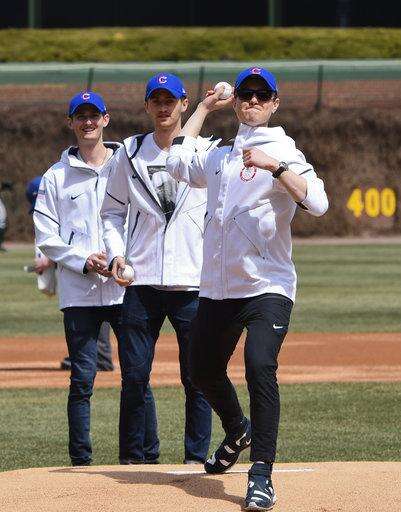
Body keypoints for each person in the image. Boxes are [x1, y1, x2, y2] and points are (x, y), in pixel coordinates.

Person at [167, 67, 329, 510]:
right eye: (246, 94)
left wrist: (276, 168)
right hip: (219, 287)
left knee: (259, 366)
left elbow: (317, 203)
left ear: (274, 103)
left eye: (262, 94)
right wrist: (203, 108)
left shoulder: (283, 148)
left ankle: (261, 474)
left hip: (267, 285)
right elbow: (177, 162)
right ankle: (238, 430)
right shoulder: (220, 155)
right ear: (236, 101)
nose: (253, 101)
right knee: (202, 371)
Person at [33, 91, 158, 466]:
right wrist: (84, 260)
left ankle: (143, 457)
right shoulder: (55, 176)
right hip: (79, 292)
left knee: (137, 377)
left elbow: (146, 218)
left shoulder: (128, 165)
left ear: (106, 119)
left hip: (125, 288)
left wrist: (122, 259)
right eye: (80, 116)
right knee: (82, 381)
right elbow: (46, 235)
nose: (87, 122)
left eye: (94, 115)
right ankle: (81, 461)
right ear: (71, 122)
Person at [101, 73, 218, 464]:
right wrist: (117, 255)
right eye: (157, 100)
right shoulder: (130, 151)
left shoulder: (206, 151)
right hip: (142, 281)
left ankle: (195, 459)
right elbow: (111, 211)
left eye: (171, 100)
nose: (164, 107)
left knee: (197, 379)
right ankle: (134, 460)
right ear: (147, 106)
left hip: (193, 283)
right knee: (134, 377)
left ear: (184, 104)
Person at [26, 176, 115, 372]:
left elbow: (75, 234)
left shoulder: (67, 189)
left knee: (97, 302)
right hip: (81, 263)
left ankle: (101, 356)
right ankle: (94, 354)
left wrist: (49, 260)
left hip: (96, 261)